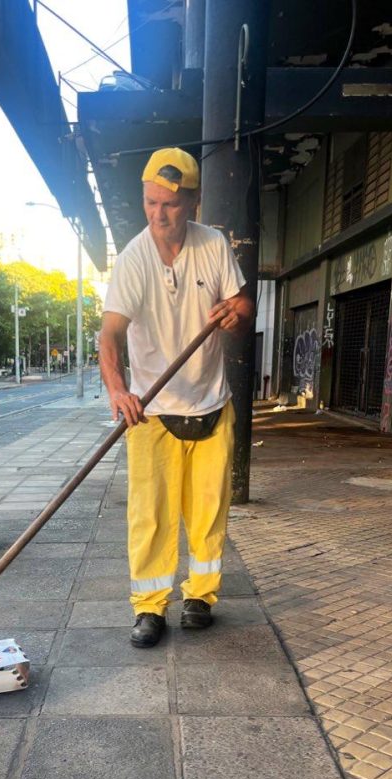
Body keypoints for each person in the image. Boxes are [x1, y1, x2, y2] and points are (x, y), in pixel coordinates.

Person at [99, 147, 254, 648]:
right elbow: (110, 334)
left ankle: (200, 598)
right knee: (150, 516)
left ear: (193, 201)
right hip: (153, 412)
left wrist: (236, 313)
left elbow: (243, 302)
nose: (158, 214)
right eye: (150, 202)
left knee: (209, 511)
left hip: (212, 403)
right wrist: (118, 388)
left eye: (169, 204)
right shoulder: (133, 259)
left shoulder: (213, 245)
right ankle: (149, 607)